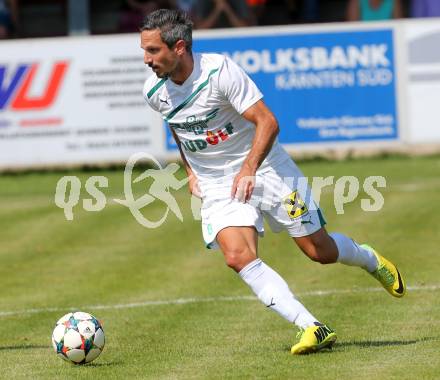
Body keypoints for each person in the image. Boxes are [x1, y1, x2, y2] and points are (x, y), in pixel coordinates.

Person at [140, 9, 406, 354]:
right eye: (144, 51)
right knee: (237, 256)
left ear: (178, 48)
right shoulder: (154, 90)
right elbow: (177, 127)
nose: (146, 60)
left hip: (267, 169)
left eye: (152, 51)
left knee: (318, 251)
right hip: (219, 184)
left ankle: (368, 258)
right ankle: (312, 326)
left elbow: (268, 122)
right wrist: (191, 172)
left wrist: (249, 166)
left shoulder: (219, 72)